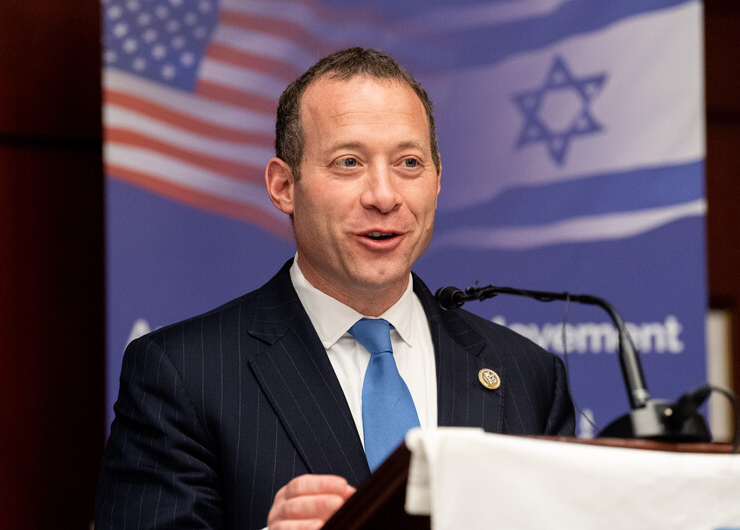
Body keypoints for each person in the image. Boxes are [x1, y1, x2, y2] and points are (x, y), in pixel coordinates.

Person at [95, 47, 575, 530]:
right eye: (348, 162)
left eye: (409, 163)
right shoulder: (182, 375)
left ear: (437, 180)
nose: (385, 197)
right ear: (284, 185)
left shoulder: (528, 375)